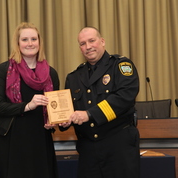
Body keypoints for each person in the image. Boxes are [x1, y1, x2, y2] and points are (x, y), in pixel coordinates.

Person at [60, 27, 140, 178]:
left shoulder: (121, 66)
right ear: (80, 48)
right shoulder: (74, 77)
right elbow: (70, 110)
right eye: (83, 43)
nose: (88, 46)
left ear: (102, 42)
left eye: (92, 41)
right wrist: (64, 121)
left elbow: (124, 97)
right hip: (88, 150)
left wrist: (89, 114)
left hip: (118, 146)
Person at [0, 22, 60, 178]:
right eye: (25, 39)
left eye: (34, 39)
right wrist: (28, 106)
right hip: (12, 140)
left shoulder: (51, 73)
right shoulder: (4, 70)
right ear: (17, 43)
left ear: (39, 42)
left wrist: (54, 121)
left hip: (40, 140)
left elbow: (54, 108)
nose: (30, 43)